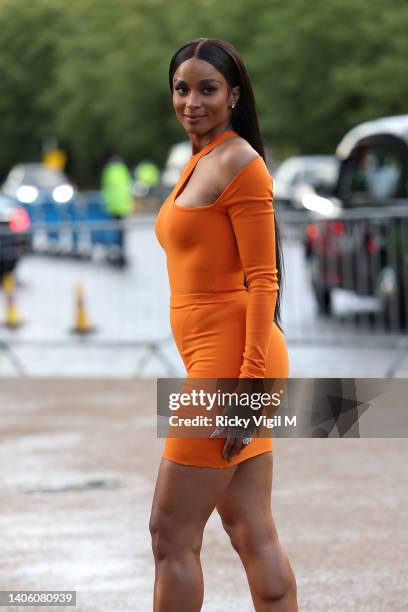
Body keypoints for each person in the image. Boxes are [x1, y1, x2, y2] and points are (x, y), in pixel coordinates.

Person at [152, 38, 298, 611]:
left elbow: (265, 280)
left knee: (170, 535)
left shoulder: (239, 161)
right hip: (221, 361)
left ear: (234, 95)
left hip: (235, 366)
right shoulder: (199, 158)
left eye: (207, 89)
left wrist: (250, 383)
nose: (192, 101)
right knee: (250, 530)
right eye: (182, 88)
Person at [101, 154, 134, 267]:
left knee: (113, 232)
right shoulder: (124, 170)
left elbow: (106, 187)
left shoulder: (109, 171)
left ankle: (115, 252)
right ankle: (122, 252)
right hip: (124, 206)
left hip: (112, 206)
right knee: (121, 232)